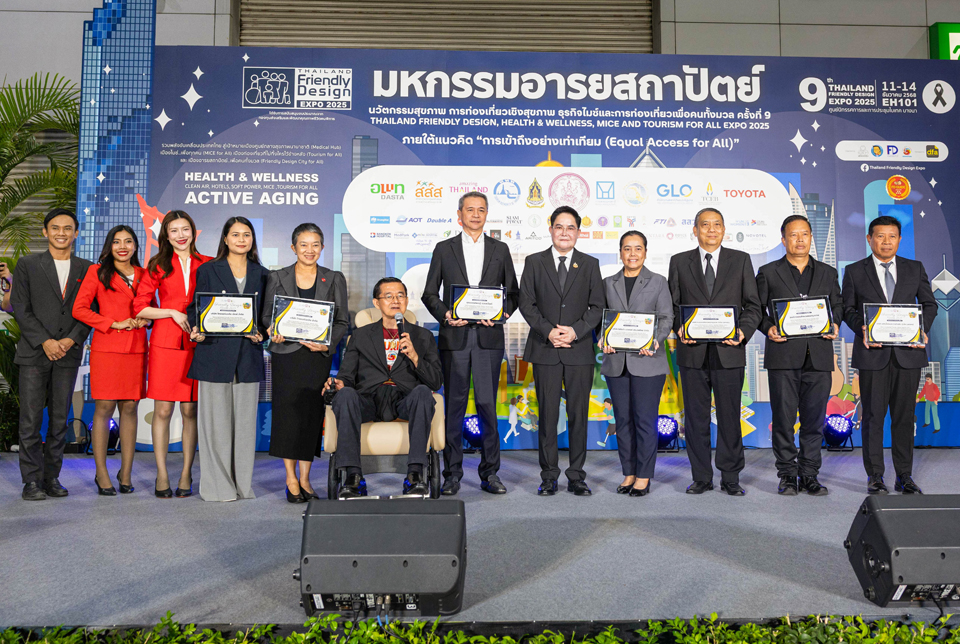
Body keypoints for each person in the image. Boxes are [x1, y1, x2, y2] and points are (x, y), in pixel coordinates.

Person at [421, 190, 519, 495]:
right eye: (470, 209)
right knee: (455, 408)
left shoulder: (500, 249)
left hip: (489, 339)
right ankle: (452, 474)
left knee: (488, 407)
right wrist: (446, 315)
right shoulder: (444, 249)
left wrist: (500, 314)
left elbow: (513, 294)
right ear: (459, 215)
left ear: (487, 214)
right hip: (455, 338)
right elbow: (429, 294)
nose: (475, 215)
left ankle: (491, 474)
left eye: (481, 210)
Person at [668, 207, 761, 496]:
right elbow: (672, 305)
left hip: (729, 351)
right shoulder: (679, 261)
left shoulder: (740, 260)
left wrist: (743, 331)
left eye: (717, 224)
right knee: (695, 418)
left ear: (724, 229)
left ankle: (731, 477)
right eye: (705, 225)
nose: (711, 229)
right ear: (695, 230)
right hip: (692, 353)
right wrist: (679, 327)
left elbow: (753, 305)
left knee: (730, 417)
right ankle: (701, 477)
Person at [841, 215, 937, 494]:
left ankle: (904, 476)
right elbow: (847, 309)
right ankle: (875, 476)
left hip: (908, 355)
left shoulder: (914, 268)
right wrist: (862, 329)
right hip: (873, 355)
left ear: (899, 239)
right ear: (869, 239)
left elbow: (929, 304)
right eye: (880, 236)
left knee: (905, 417)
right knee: (873, 417)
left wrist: (921, 329)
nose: (886, 242)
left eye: (892, 236)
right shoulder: (855, 271)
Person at [323, 277, 443, 499]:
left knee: (423, 392)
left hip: (405, 400)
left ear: (406, 301)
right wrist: (338, 384)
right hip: (369, 399)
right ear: (376, 303)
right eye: (388, 296)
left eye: (400, 296)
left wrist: (415, 357)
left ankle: (415, 475)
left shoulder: (423, 336)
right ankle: (353, 477)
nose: (395, 300)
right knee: (345, 394)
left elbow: (435, 381)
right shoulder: (360, 336)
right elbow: (346, 376)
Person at [518, 206, 604, 496]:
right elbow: (526, 303)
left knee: (579, 415)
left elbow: (597, 307)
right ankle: (549, 476)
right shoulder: (534, 261)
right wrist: (549, 331)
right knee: (547, 416)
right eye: (559, 226)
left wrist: (576, 331)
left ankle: (577, 476)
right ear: (551, 229)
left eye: (570, 227)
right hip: (546, 348)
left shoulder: (590, 264)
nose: (564, 232)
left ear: (578, 232)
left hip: (579, 350)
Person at [756, 215, 842, 496]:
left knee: (814, 421)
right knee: (783, 420)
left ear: (811, 237)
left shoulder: (828, 273)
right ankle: (787, 475)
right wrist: (768, 328)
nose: (800, 239)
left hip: (818, 357)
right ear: (783, 240)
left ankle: (810, 475)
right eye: (793, 235)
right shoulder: (768, 272)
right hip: (782, 356)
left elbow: (838, 306)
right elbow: (755, 310)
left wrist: (836, 323)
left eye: (804, 234)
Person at [264, 223, 349, 503]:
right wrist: (272, 330)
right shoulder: (277, 276)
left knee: (311, 416)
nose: (309, 250)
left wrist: (327, 344)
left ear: (322, 247)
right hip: (286, 356)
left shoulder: (334, 278)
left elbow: (342, 321)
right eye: (303, 244)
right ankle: (291, 479)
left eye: (315, 245)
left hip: (316, 357)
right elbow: (266, 316)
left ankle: (305, 478)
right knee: (287, 416)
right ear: (293, 247)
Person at [11, 208, 92, 501]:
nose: (61, 233)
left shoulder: (87, 268)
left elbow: (91, 310)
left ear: (76, 233)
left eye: (68, 228)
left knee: (59, 420)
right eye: (55, 228)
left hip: (68, 354)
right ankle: (31, 481)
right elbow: (21, 307)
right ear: (45, 232)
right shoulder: (28, 264)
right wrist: (45, 341)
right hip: (35, 352)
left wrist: (70, 340)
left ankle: (51, 477)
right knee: (30, 420)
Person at [188, 216, 268, 502]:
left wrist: (262, 334)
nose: (241, 240)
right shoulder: (208, 269)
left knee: (245, 427)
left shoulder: (263, 273)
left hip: (248, 356)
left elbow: (265, 316)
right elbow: (195, 308)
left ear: (252, 240)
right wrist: (196, 328)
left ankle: (242, 486)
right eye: (235, 235)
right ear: (225, 238)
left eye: (246, 234)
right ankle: (218, 487)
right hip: (214, 353)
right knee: (215, 426)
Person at [133, 210, 211, 498]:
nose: (180, 235)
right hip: (165, 344)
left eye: (185, 229)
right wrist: (170, 312)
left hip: (198, 343)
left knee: (190, 411)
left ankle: (186, 473)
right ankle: (162, 473)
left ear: (193, 231)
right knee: (163, 410)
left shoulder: (208, 263)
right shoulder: (157, 265)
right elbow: (140, 307)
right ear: (166, 235)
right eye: (174, 230)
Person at [72, 225, 149, 496]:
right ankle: (101, 472)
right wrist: (113, 323)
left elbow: (152, 307)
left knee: (130, 407)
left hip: (136, 348)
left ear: (136, 246)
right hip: (107, 348)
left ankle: (126, 472)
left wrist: (147, 318)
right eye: (117, 242)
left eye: (128, 241)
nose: (123, 246)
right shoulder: (97, 272)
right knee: (104, 407)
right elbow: (79, 309)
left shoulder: (144, 274)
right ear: (109, 246)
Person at [600, 230, 673, 496]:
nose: (632, 254)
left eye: (638, 248)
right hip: (616, 362)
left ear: (645, 252)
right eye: (627, 248)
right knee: (622, 420)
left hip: (648, 361)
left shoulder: (658, 281)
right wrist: (603, 338)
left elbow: (666, 317)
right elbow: (601, 319)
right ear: (620, 252)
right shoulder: (607, 283)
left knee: (644, 419)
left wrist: (655, 340)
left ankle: (643, 475)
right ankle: (628, 473)